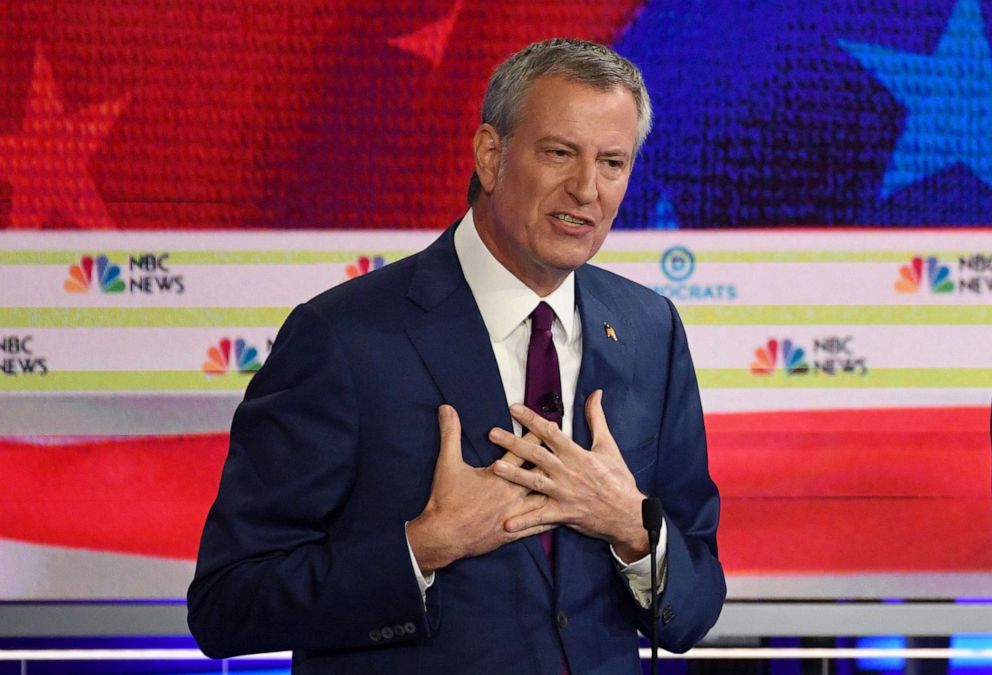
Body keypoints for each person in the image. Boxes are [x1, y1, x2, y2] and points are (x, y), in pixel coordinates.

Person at [187, 38, 725, 674]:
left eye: (613, 162)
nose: (587, 189)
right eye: (559, 153)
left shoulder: (649, 329)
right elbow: (228, 602)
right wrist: (422, 547)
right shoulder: (344, 337)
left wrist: (633, 531)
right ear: (491, 156)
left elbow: (697, 598)